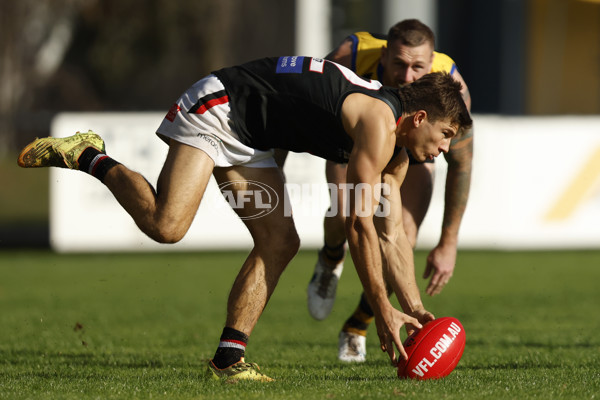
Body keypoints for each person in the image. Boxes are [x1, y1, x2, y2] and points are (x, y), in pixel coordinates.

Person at [18, 56, 472, 382]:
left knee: (281, 242)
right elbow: (357, 227)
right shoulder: (378, 124)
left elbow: (390, 235)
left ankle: (227, 361)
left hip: (252, 136)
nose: (446, 148)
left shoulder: (399, 151)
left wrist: (414, 311)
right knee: (165, 226)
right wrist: (380, 310)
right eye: (446, 134)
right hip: (219, 109)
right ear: (417, 117)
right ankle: (88, 155)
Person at [303, 19, 474, 363]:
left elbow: (461, 164)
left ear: (433, 62)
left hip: (413, 141)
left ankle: (358, 325)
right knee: (343, 213)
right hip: (353, 139)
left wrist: (449, 242)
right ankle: (331, 258)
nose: (408, 76)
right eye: (398, 64)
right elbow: (307, 97)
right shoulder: (350, 55)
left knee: (402, 236)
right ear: (383, 55)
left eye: (418, 67)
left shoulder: (452, 85)